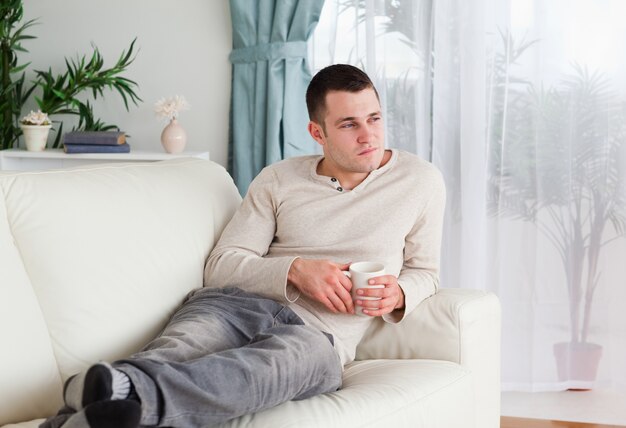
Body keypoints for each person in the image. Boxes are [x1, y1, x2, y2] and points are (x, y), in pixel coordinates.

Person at [41, 64, 445, 428]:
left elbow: (425, 271)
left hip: (318, 338)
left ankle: (103, 404)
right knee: (176, 350)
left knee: (261, 370)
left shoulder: (420, 181)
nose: (367, 135)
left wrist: (399, 294)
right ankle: (108, 403)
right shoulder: (278, 179)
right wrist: (295, 271)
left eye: (374, 118)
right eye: (349, 124)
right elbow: (221, 264)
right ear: (317, 132)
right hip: (234, 305)